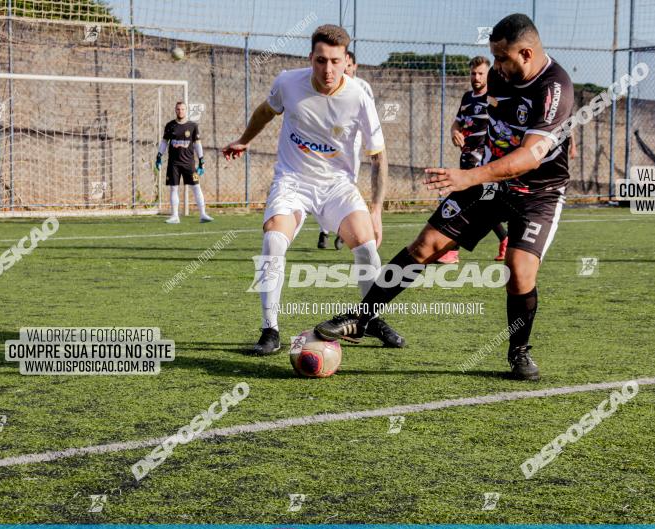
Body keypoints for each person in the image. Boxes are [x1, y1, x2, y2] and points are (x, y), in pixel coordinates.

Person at [313, 13, 574, 381]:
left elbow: (530, 155)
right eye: (493, 58)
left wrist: (467, 175)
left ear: (527, 54)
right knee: (425, 245)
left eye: (502, 58)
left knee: (518, 270)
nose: (494, 67)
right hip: (489, 182)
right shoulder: (500, 76)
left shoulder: (555, 88)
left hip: (538, 193)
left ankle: (519, 351)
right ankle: (361, 317)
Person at [222, 24, 404, 355]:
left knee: (366, 246)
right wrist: (244, 140)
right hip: (293, 179)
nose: (328, 69)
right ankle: (270, 331)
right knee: (273, 239)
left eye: (335, 61)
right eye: (321, 60)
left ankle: (370, 319)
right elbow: (265, 112)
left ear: (346, 59)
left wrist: (376, 211)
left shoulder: (359, 96)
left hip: (337, 185)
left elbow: (379, 158)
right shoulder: (288, 82)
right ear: (311, 58)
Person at [438, 56, 509, 264]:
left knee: (465, 202)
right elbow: (457, 123)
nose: (476, 77)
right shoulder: (467, 97)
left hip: (482, 162)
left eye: (480, 73)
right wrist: (454, 132)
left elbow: (502, 122)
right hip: (466, 158)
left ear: (488, 75)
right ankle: (505, 239)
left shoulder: (492, 98)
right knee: (481, 204)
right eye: (473, 73)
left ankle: (453, 250)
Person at [317, 50, 374, 251]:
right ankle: (324, 231)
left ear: (354, 66)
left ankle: (343, 231)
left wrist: (369, 142)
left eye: (349, 65)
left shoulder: (362, 87)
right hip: (329, 144)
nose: (346, 69)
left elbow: (370, 118)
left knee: (348, 183)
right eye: (344, 64)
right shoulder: (329, 85)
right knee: (324, 183)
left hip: (353, 144)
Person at [156, 101, 212, 223]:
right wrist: (159, 156)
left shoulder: (193, 126)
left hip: (189, 164)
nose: (180, 111)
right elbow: (164, 142)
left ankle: (203, 214)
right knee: (173, 189)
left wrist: (202, 160)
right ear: (175, 110)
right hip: (173, 164)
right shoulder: (170, 125)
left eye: (182, 109)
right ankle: (175, 216)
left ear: (186, 110)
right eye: (178, 109)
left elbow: (197, 144)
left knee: (197, 187)